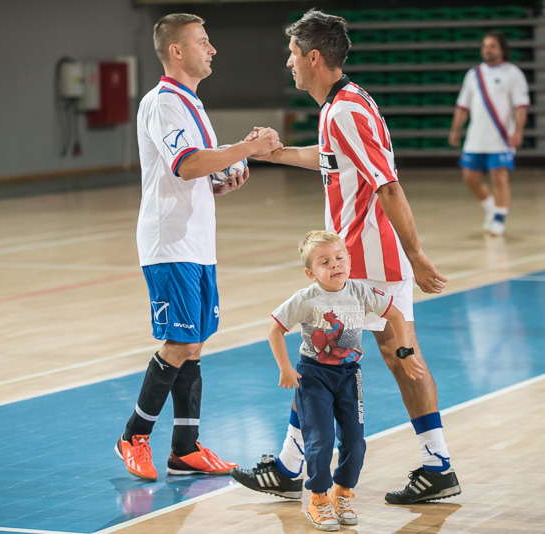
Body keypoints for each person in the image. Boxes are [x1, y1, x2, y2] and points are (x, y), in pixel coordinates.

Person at [230, 9, 461, 506]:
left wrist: (417, 255)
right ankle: (432, 464)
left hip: (367, 261)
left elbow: (388, 185)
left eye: (293, 53)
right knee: (373, 356)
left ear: (314, 57)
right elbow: (330, 159)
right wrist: (275, 154)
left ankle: (295, 468)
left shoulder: (344, 111)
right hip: (366, 258)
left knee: (329, 355)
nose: (288, 62)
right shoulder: (343, 104)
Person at [116, 13, 282, 481]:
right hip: (169, 242)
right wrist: (247, 148)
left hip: (196, 242)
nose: (212, 49)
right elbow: (186, 164)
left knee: (195, 343)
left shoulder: (192, 104)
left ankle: (185, 449)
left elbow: (195, 174)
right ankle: (133, 436)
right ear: (176, 51)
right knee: (181, 340)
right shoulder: (163, 102)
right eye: (203, 42)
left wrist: (220, 182)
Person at [268, 230, 426, 530]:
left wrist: (404, 352)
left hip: (349, 375)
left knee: (354, 440)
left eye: (339, 258)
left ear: (349, 260)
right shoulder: (305, 299)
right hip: (313, 376)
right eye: (325, 262)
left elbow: (396, 315)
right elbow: (275, 330)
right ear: (310, 273)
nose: (335, 265)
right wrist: (285, 368)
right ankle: (318, 499)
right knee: (321, 438)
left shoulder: (361, 292)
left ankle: (342, 493)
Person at [448, 31, 530, 236]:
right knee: (470, 178)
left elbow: (521, 106)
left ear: (502, 49)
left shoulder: (513, 74)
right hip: (476, 137)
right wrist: (455, 129)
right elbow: (462, 106)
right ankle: (492, 209)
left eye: (492, 46)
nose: (487, 49)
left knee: (499, 177)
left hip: (501, 137)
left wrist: (518, 131)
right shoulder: (473, 74)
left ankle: (499, 220)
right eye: (485, 46)